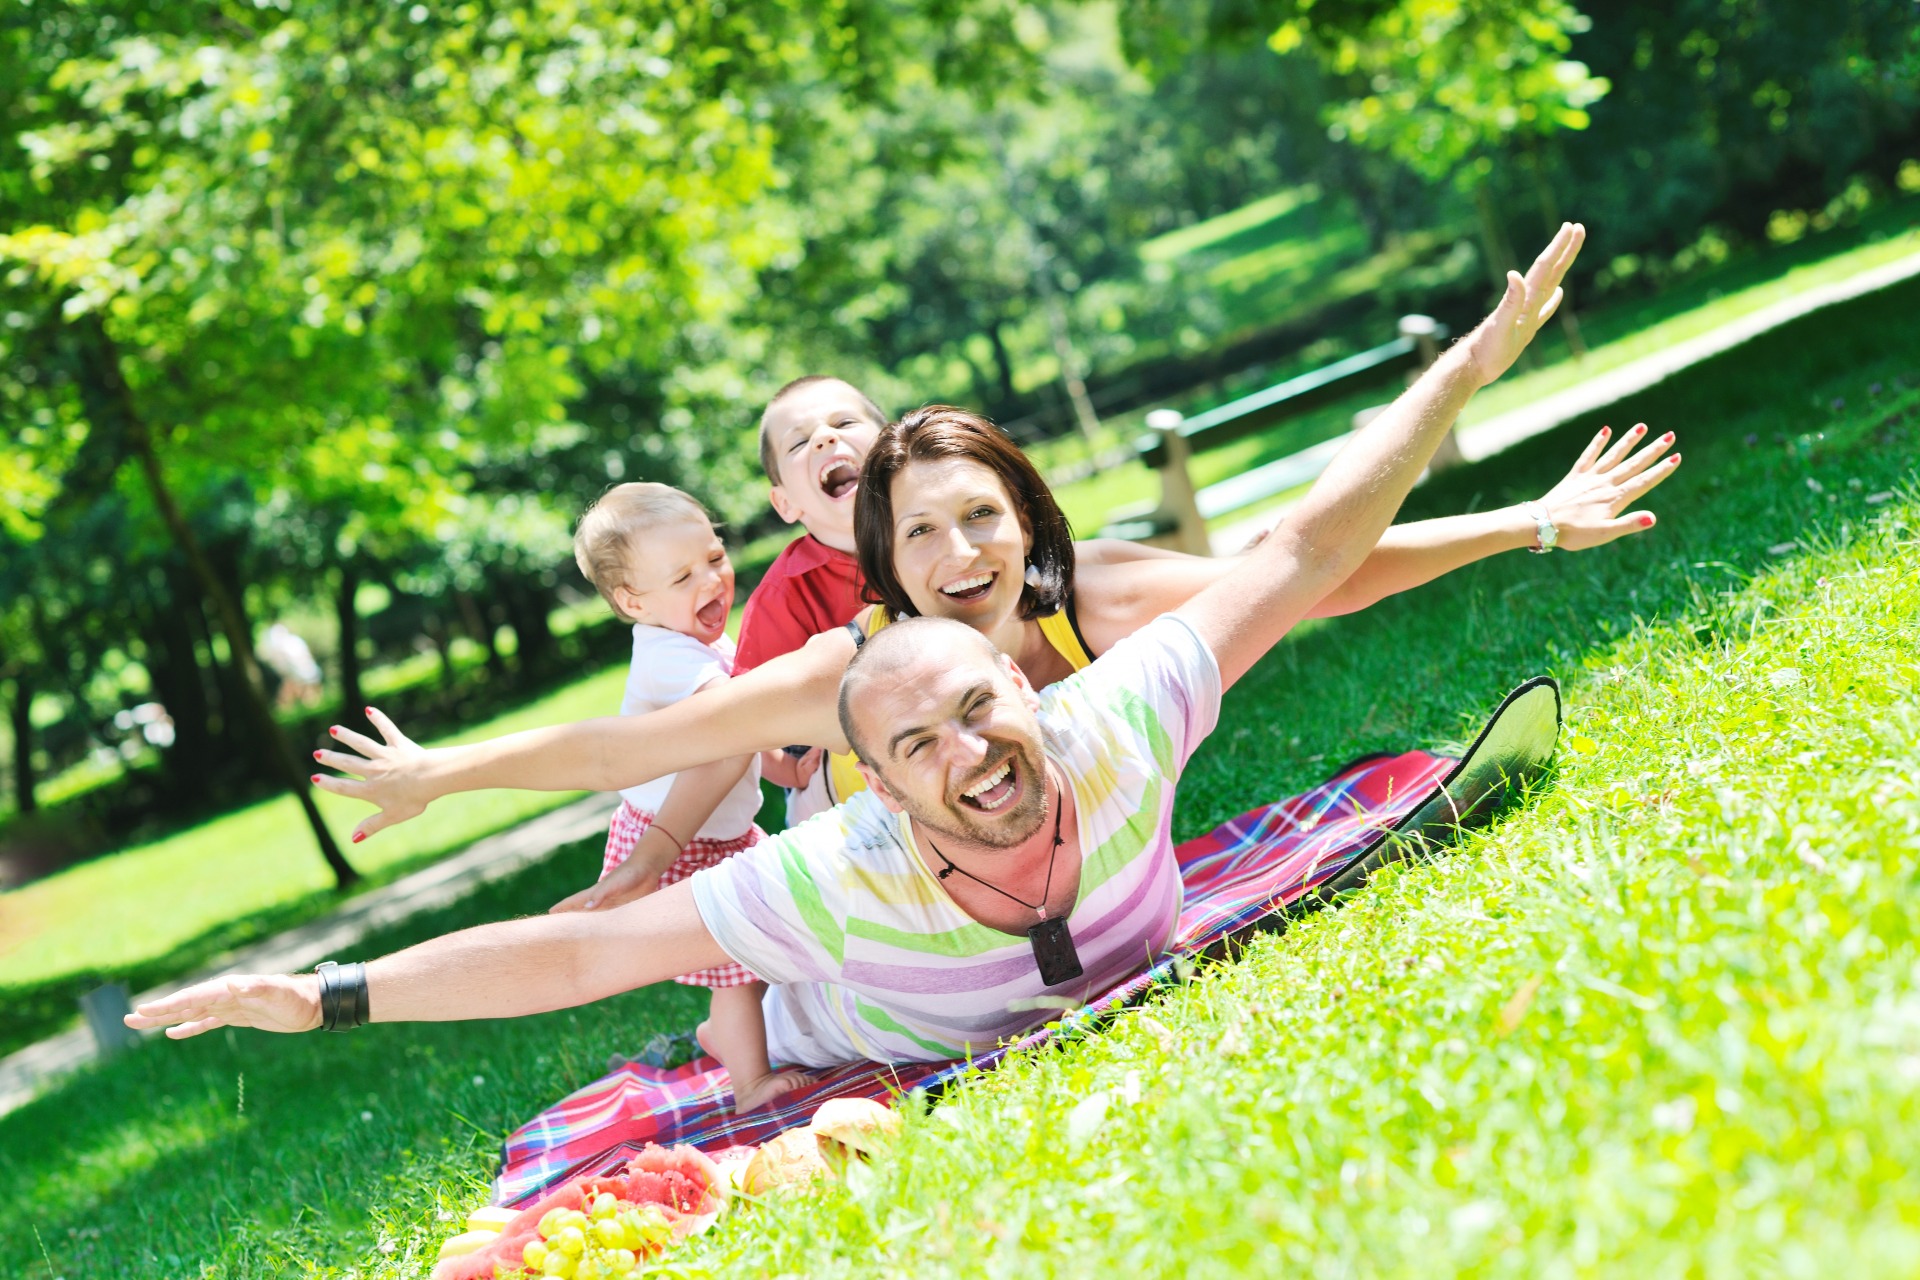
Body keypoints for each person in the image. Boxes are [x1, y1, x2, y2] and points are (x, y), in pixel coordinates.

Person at [137, 224, 1607, 1070]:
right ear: (864, 558)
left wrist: (1504, 461)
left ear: (1022, 524)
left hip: (1041, 859)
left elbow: (1309, 560)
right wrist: (422, 825)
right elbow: (617, 820)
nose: (960, 559)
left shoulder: (1096, 654)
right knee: (713, 950)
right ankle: (751, 1030)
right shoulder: (838, 728)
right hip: (868, 934)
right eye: (920, 537)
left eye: (981, 523)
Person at [552, 481, 808, 1111]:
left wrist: (782, 764)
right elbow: (731, 714)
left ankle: (724, 1036)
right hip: (675, 836)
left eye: (715, 559)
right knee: (739, 968)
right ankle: (748, 1085)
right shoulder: (667, 655)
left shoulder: (700, 643)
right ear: (633, 601)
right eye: (683, 576)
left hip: (716, 832)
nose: (711, 582)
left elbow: (741, 728)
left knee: (770, 948)